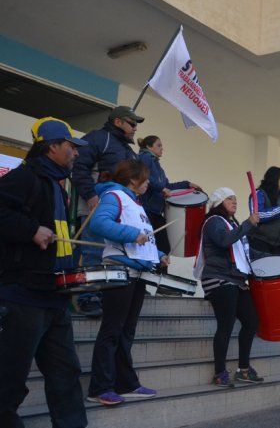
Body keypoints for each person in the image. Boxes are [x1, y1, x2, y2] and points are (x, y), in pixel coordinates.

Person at [0, 118, 88, 427]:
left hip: (55, 299)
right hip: (23, 298)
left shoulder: (59, 189)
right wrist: (30, 230)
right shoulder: (23, 179)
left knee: (66, 377)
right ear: (52, 147)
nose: (75, 154)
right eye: (70, 147)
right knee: (8, 379)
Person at [86, 159, 169, 406]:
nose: (148, 182)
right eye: (145, 178)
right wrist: (133, 235)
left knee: (126, 332)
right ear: (133, 179)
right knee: (112, 330)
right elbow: (99, 223)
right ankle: (100, 387)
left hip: (137, 272)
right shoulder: (114, 196)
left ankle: (126, 383)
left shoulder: (135, 202)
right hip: (119, 270)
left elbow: (145, 239)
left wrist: (158, 256)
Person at [71, 106, 145, 317]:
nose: (135, 128)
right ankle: (88, 297)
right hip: (95, 204)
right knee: (92, 251)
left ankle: (103, 294)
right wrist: (90, 195)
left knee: (111, 253)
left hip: (121, 210)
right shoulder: (98, 138)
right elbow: (79, 167)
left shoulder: (129, 150)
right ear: (118, 122)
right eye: (132, 123)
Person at [194, 187, 263, 388]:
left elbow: (244, 251)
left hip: (235, 280)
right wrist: (247, 224)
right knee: (226, 325)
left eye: (235, 198)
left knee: (251, 321)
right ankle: (219, 373)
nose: (235, 202)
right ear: (218, 203)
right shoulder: (214, 222)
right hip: (219, 279)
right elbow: (224, 241)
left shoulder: (231, 224)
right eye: (229, 199)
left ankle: (243, 369)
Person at [137, 135, 199, 255]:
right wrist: (161, 188)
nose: (162, 148)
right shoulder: (144, 157)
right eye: (159, 145)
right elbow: (144, 177)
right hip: (146, 210)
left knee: (164, 247)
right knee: (153, 245)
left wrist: (187, 184)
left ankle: (160, 272)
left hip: (156, 211)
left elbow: (167, 187)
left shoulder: (158, 167)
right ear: (149, 147)